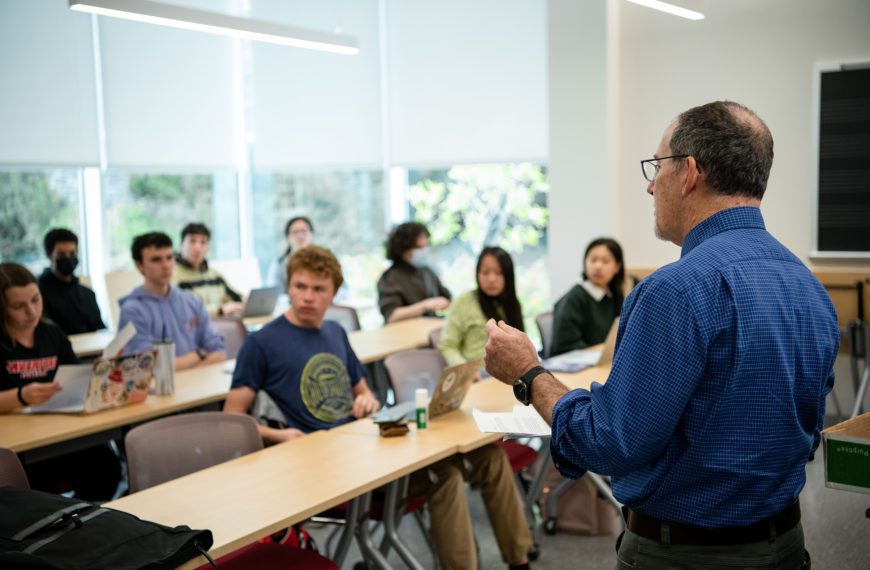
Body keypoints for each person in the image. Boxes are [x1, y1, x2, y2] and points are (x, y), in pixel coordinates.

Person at [484, 101, 839, 569]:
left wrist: (529, 373)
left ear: (689, 172)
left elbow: (610, 443)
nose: (650, 185)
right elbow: (808, 429)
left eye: (657, 166)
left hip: (684, 555)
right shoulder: (808, 286)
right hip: (785, 544)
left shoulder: (675, 290)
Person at [225, 245, 532, 570]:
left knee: (490, 456)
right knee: (445, 474)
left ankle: (520, 560)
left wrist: (367, 399)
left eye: (319, 289)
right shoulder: (262, 343)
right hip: (320, 465)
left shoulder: (334, 332)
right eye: (300, 287)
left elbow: (364, 391)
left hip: (362, 448)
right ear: (289, 287)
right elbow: (233, 418)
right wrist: (278, 435)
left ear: (334, 294)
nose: (308, 297)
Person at [0, 262, 120, 500]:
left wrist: (99, 374)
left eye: (36, 300)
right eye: (18, 306)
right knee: (31, 488)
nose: (32, 312)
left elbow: (74, 375)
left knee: (107, 466)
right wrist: (21, 396)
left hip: (57, 429)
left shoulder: (51, 333)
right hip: (18, 444)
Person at [118, 232, 226, 371]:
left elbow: (219, 352)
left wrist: (187, 368)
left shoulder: (191, 300)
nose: (166, 265)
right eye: (156, 260)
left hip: (200, 386)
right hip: (160, 390)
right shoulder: (132, 310)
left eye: (169, 258)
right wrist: (199, 354)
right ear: (140, 265)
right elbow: (145, 366)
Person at [440, 246, 524, 367]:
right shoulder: (464, 302)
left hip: (510, 372)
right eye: (485, 272)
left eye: (499, 273)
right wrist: (466, 370)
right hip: (477, 374)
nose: (491, 279)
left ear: (508, 275)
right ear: (477, 274)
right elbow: (448, 346)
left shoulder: (512, 303)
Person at [550, 238, 624, 356]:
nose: (598, 266)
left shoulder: (614, 295)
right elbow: (565, 345)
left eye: (605, 261)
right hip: (572, 365)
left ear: (617, 267)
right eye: (593, 260)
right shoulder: (575, 297)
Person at [377, 222, 451, 323]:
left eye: (426, 246)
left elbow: (447, 297)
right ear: (404, 249)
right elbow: (391, 316)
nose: (424, 251)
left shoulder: (427, 272)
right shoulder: (390, 278)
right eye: (419, 248)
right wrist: (425, 305)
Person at [37, 228, 105, 335]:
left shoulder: (87, 294)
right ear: (49, 255)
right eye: (61, 255)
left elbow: (100, 330)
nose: (68, 258)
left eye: (72, 254)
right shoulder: (38, 294)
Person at [172, 222, 244, 316]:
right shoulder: (171, 276)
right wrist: (220, 310)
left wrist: (247, 302)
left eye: (203, 242)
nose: (198, 248)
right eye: (192, 241)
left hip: (222, 327)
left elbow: (237, 297)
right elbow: (184, 311)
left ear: (207, 247)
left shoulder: (215, 276)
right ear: (181, 245)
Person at [266, 216, 314, 292]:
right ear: (288, 237)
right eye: (295, 232)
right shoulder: (279, 265)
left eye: (304, 231)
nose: (300, 236)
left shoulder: (324, 263)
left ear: (312, 235)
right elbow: (275, 294)